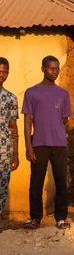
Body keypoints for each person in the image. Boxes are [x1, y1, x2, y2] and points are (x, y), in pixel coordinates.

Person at [22, 56, 72, 229]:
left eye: (57, 68)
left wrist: (54, 129)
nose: (55, 71)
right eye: (51, 68)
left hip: (59, 144)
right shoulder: (31, 92)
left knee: (61, 181)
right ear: (43, 69)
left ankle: (61, 218)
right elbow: (27, 120)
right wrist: (28, 146)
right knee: (36, 182)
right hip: (38, 144)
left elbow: (64, 119)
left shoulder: (63, 94)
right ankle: (35, 218)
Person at [0, 57, 19, 229]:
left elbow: (13, 127)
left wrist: (16, 153)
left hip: (4, 149)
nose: (2, 74)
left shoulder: (11, 98)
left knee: (2, 186)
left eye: (5, 71)